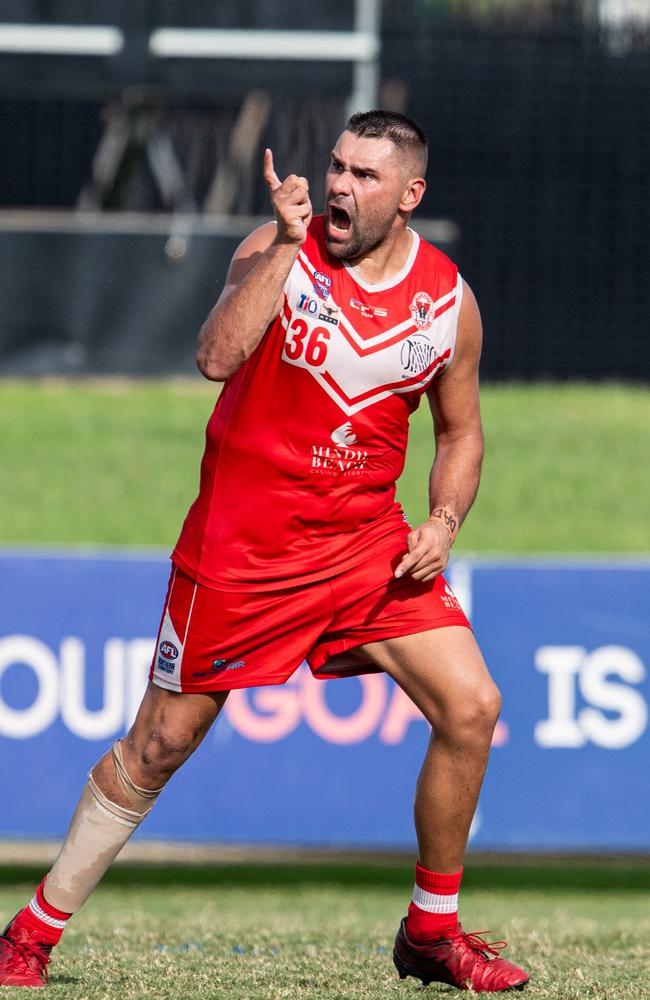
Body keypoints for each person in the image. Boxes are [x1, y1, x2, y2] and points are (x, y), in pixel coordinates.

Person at [0, 110, 528, 992]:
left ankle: (431, 930)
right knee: (160, 745)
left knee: (472, 705)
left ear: (410, 195)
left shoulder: (448, 302)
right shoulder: (277, 249)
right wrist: (283, 249)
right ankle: (31, 932)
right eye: (336, 167)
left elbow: (462, 434)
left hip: (365, 549)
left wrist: (442, 522)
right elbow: (214, 356)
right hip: (242, 550)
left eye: (364, 175)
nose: (339, 187)